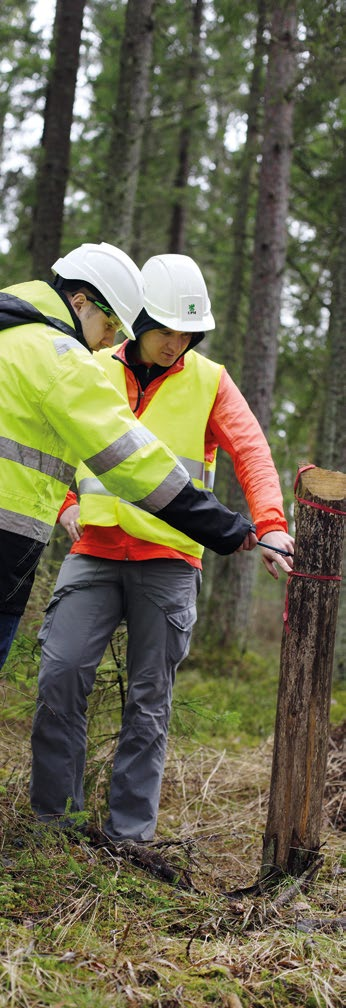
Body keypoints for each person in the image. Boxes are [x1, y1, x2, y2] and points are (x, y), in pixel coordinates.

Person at [30, 253, 294, 844]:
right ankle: (55, 827)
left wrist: (271, 524)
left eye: (188, 332)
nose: (177, 342)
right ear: (139, 318)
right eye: (166, 328)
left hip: (170, 563)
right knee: (61, 672)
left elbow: (252, 452)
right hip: (93, 552)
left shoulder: (210, 381)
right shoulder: (93, 364)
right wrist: (66, 505)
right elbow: (51, 441)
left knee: (149, 702)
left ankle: (128, 839)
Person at [0, 242, 257, 671]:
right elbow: (130, 462)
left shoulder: (8, 332)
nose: (110, 339)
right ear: (79, 302)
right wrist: (223, 526)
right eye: (110, 322)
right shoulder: (62, 359)